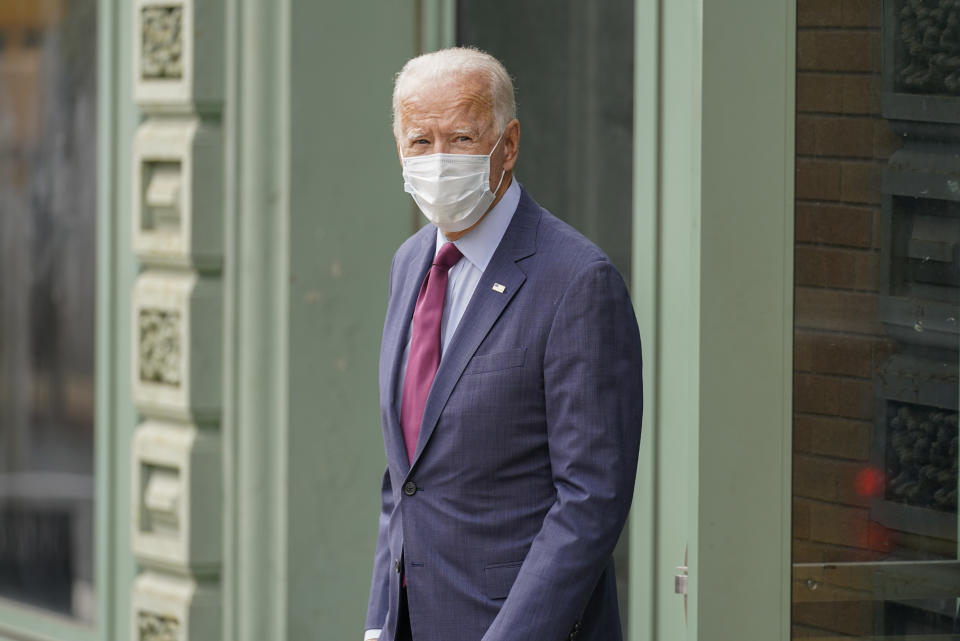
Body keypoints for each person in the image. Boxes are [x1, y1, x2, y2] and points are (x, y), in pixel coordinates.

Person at [365, 47, 643, 641]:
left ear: (508, 145)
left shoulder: (577, 281)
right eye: (420, 142)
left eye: (462, 138)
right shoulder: (409, 263)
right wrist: (379, 624)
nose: (438, 159)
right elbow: (404, 482)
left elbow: (590, 502)